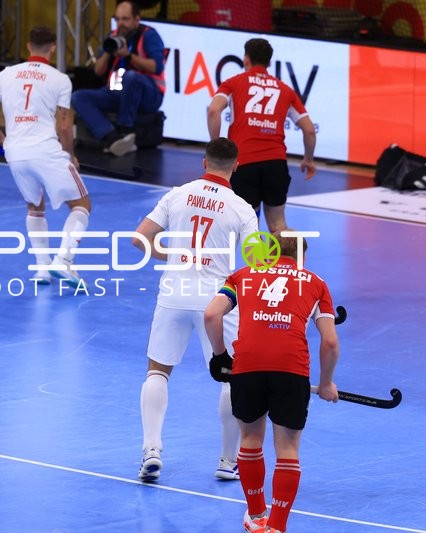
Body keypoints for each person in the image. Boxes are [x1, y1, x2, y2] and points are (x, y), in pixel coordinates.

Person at [132, 137, 259, 482]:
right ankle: (227, 461)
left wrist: (175, 255)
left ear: (204, 162)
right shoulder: (242, 208)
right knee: (231, 377)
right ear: (236, 166)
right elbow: (256, 263)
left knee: (157, 371)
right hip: (216, 300)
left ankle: (151, 450)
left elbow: (140, 238)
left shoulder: (178, 194)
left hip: (173, 293)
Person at [203, 232, 340, 533]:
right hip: (292, 369)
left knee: (250, 440)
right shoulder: (316, 283)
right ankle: (277, 527)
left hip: (247, 366)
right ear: (302, 257)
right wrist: (327, 383)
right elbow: (329, 342)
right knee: (288, 448)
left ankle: (256, 517)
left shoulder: (241, 275)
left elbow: (212, 314)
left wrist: (220, 357)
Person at [0, 25, 90, 287]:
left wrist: (0, 137)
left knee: (34, 206)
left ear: (28, 46)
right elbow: (64, 126)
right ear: (52, 47)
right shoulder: (60, 79)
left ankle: (42, 269)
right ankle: (63, 262)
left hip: (15, 152)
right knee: (82, 205)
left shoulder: (6, 74)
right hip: (46, 150)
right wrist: (70, 155)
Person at [208, 38, 317, 233]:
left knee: (250, 229)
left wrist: (215, 148)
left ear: (246, 59)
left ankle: (256, 265)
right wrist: (308, 159)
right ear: (269, 63)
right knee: (278, 226)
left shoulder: (233, 83)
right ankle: (284, 263)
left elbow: (213, 111)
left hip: (244, 163)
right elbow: (309, 129)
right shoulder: (285, 90)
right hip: (275, 163)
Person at [71, 0, 165, 157]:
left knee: (131, 77)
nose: (120, 23)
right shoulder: (113, 36)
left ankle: (125, 130)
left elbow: (156, 67)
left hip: (149, 95)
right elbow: (98, 71)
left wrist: (128, 56)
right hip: (118, 93)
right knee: (78, 97)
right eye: (117, 19)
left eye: (125, 19)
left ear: (137, 19)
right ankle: (111, 137)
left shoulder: (149, 35)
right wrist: (109, 50)